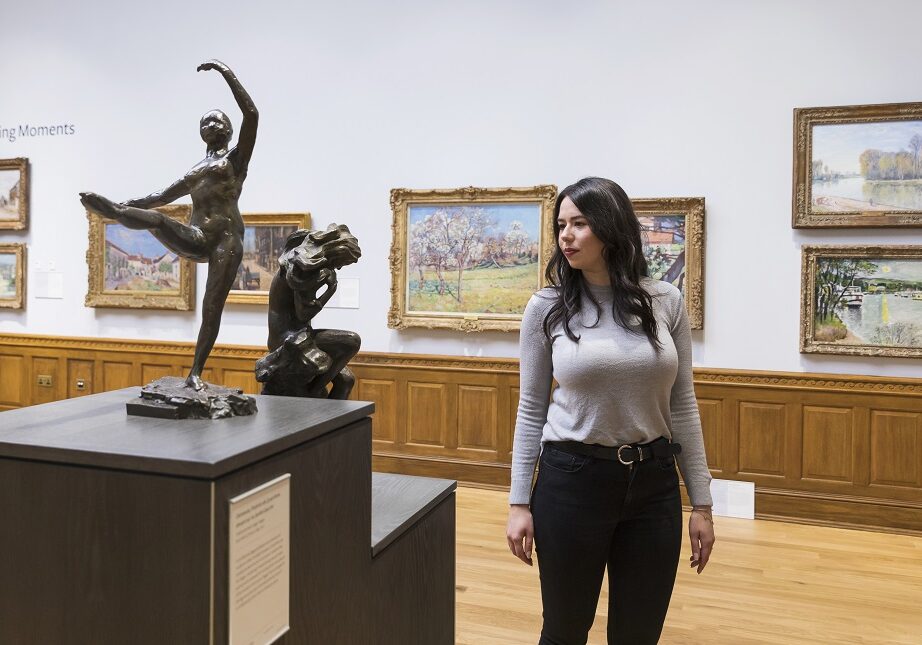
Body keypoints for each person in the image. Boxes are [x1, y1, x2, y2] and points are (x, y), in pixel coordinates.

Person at [505, 177, 715, 644]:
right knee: (564, 630)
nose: (566, 235)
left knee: (638, 634)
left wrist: (702, 503)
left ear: (611, 227)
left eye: (579, 223)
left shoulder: (665, 300)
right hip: (572, 482)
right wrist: (519, 501)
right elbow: (531, 408)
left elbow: (683, 405)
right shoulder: (546, 308)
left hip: (654, 484)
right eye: (562, 224)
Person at [80, 59, 258, 390]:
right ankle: (113, 211)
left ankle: (195, 373)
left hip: (225, 240)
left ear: (229, 129)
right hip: (197, 235)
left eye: (216, 120)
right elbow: (161, 195)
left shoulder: (236, 159)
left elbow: (253, 115)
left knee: (211, 307)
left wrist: (225, 72)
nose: (210, 124)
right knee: (160, 220)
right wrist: (128, 204)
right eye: (204, 122)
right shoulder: (195, 171)